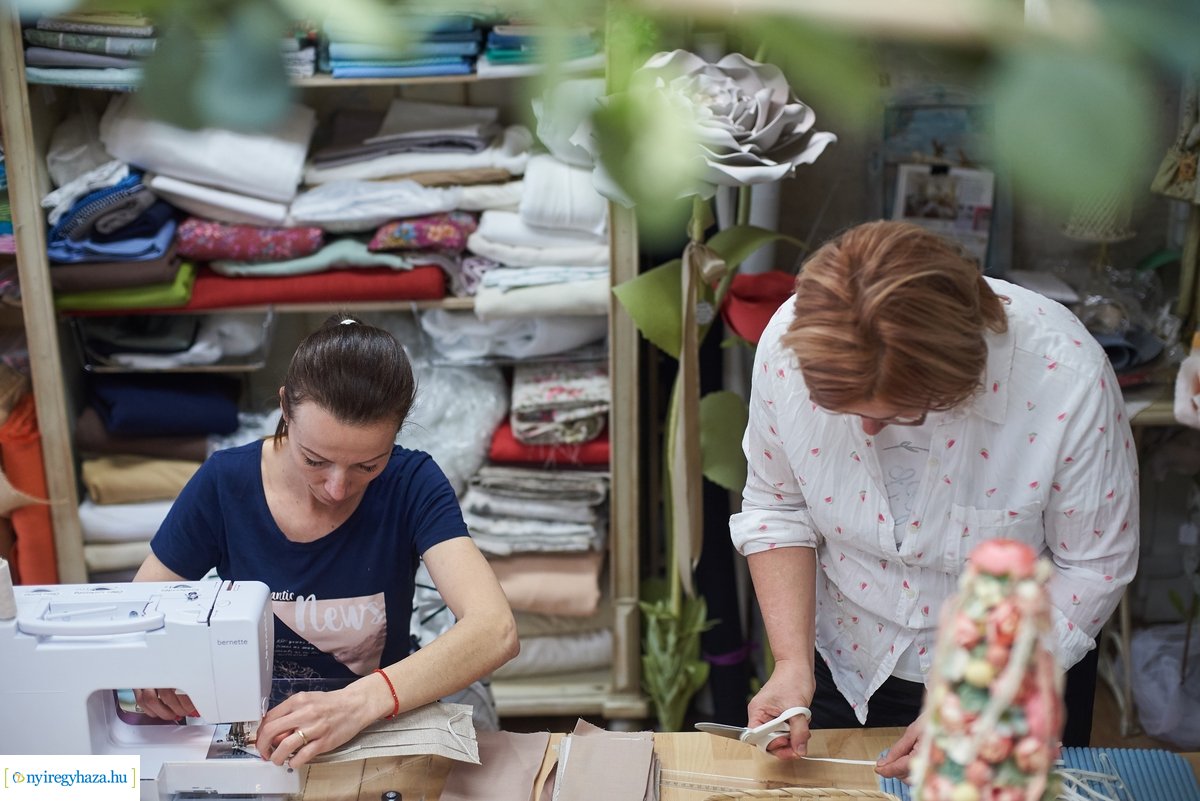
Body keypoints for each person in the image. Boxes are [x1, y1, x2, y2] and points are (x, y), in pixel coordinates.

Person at [729, 220, 1138, 778]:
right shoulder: (788, 346)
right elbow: (778, 507)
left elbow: (1093, 565)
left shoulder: (1064, 378)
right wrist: (792, 662)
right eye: (846, 412)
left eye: (898, 414)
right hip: (844, 660)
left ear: (960, 372)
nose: (870, 432)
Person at [133, 314, 518, 767]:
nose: (337, 488)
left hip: (374, 725)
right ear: (284, 409)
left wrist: (357, 704)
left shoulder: (412, 482)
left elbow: (495, 630)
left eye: (367, 466)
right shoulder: (226, 482)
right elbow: (143, 608)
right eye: (315, 460)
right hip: (260, 734)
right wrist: (151, 668)